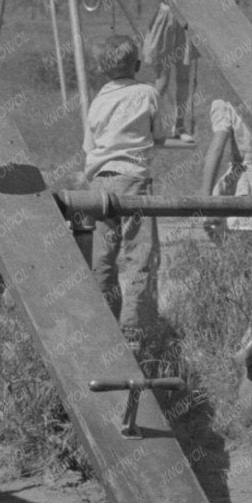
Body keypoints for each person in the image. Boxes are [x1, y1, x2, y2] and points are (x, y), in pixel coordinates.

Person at [80, 35, 161, 337]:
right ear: (138, 65)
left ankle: (105, 326)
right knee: (138, 255)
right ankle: (134, 327)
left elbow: (89, 146)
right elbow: (158, 132)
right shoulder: (147, 93)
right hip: (133, 179)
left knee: (103, 256)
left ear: (102, 71)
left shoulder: (98, 100)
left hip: (99, 182)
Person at [201, 92, 252, 233]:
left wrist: (205, 198)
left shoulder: (230, 107)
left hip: (242, 182)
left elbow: (216, 150)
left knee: (231, 237)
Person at [140, 0, 198, 143]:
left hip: (185, 23)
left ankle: (179, 127)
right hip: (165, 24)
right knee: (162, 82)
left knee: (184, 80)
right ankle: (150, 127)